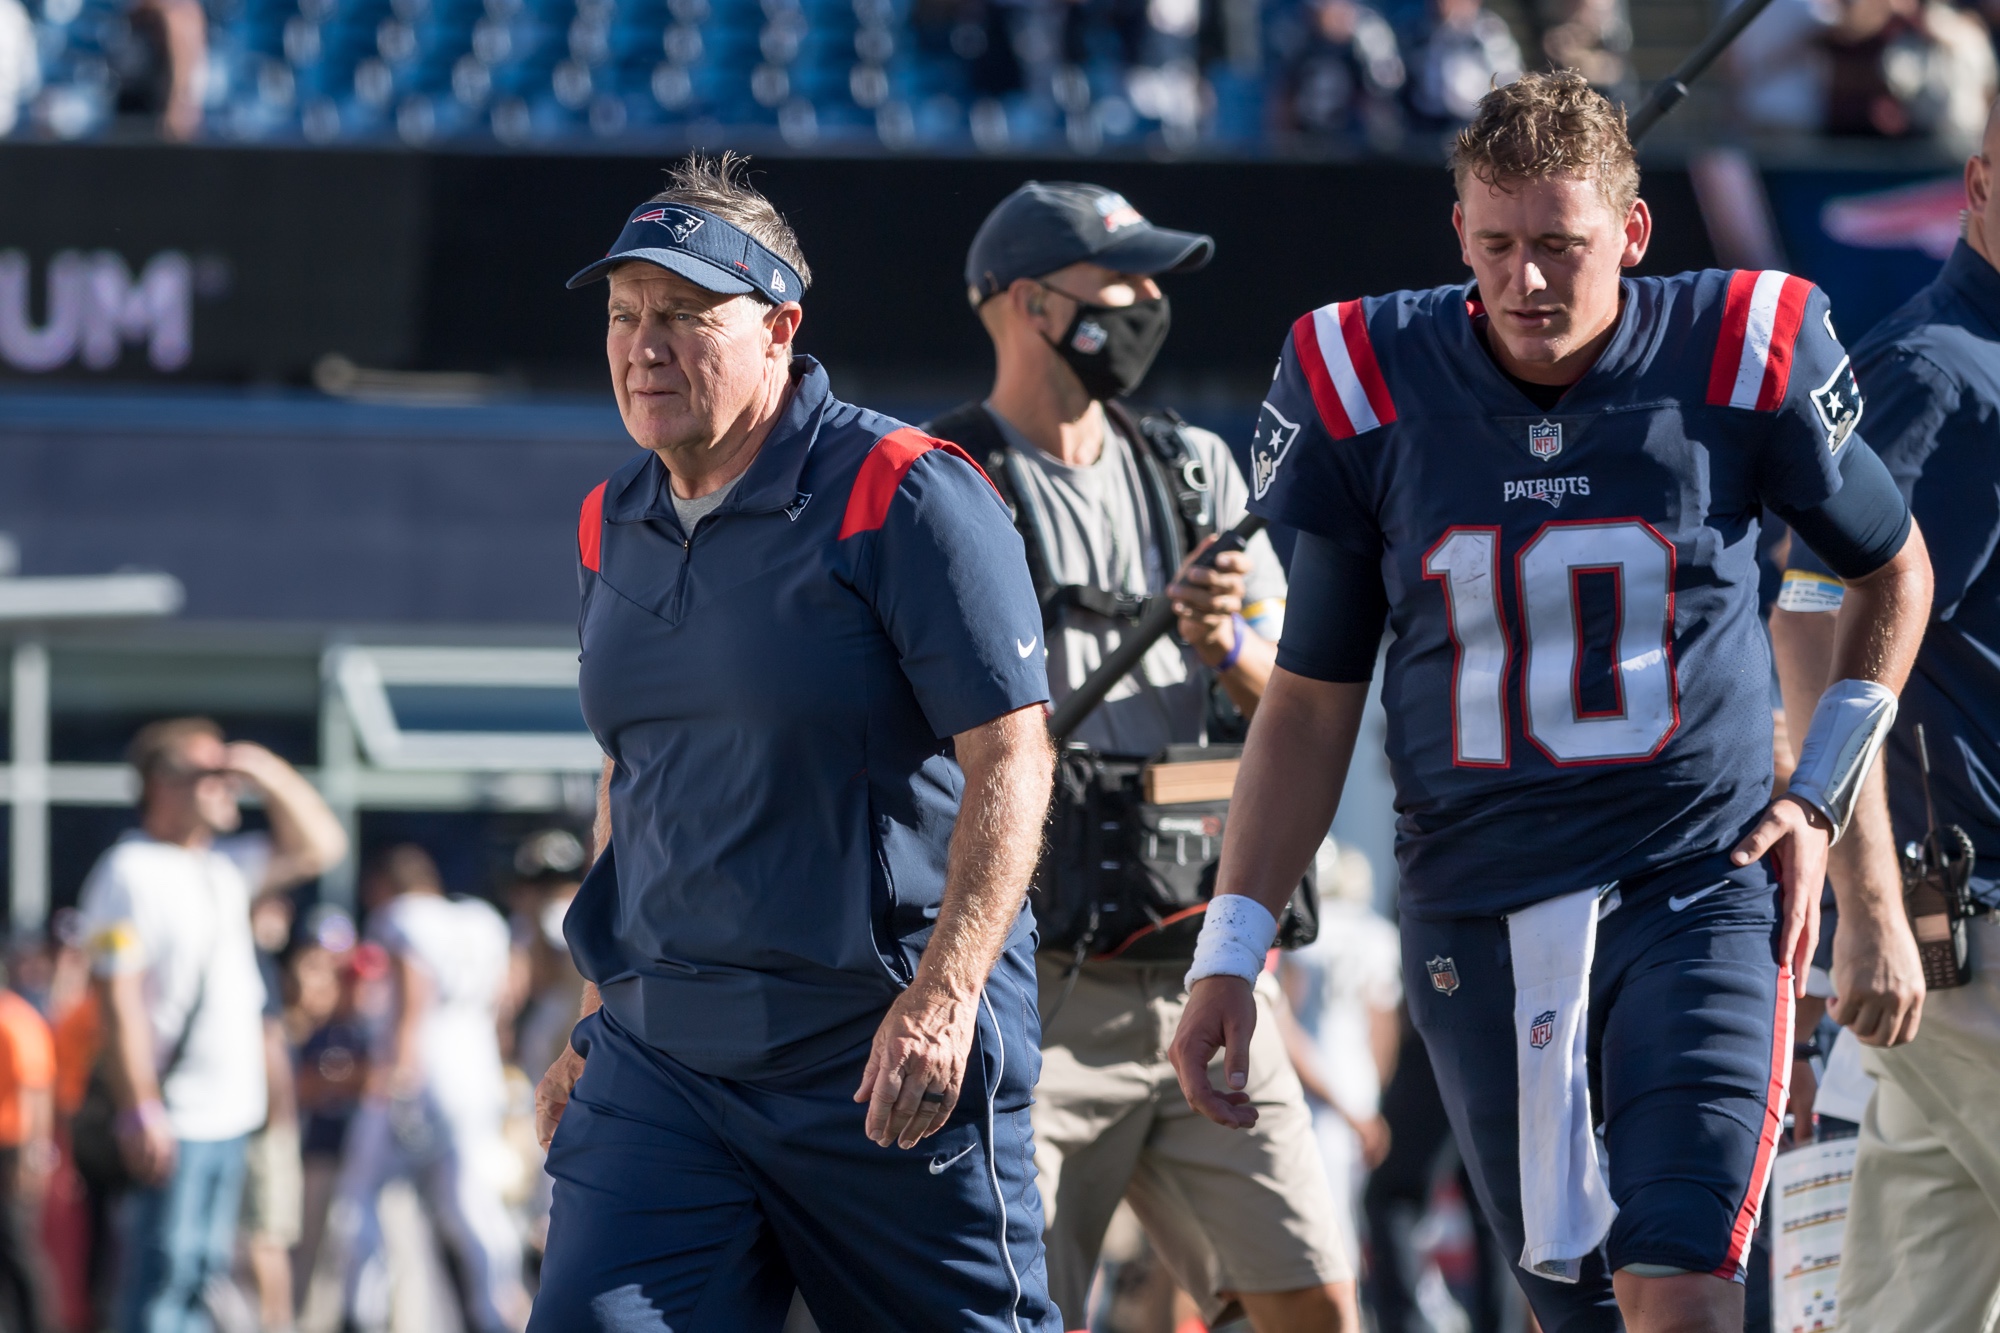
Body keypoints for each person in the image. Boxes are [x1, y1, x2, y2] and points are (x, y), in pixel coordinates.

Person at [1168, 70, 1935, 1333]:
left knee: (1679, 1289)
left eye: (1559, 248)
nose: (1526, 282)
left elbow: (1886, 568)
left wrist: (1819, 791)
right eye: (1497, 246)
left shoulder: (1741, 347)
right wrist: (1230, 953)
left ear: (1630, 234)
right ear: (1456, 233)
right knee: (1573, 1310)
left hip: (1695, 884)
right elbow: (1308, 704)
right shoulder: (1363, 377)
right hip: (1476, 904)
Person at [529, 152, 1059, 1332]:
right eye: (624, 317)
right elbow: (634, 777)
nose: (644, 346)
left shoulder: (905, 489)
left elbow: (1012, 757)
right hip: (664, 1061)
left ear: (778, 328)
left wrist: (944, 996)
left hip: (871, 1057)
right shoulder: (604, 519)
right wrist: (591, 1011)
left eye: (683, 314)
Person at [925, 180, 1356, 1333]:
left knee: (1312, 1300)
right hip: (1032, 993)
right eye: (1123, 283)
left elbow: (1293, 708)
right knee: (1013, 1311)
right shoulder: (938, 482)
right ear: (1029, 302)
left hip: (1202, 979)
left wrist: (1222, 647)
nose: (1149, 303)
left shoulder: (1199, 473)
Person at [1770, 93, 2000, 1332]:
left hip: (1956, 956)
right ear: (1972, 185)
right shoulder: (1934, 371)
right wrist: (1866, 906)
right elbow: (1809, 625)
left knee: (1911, 1305)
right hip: (1970, 926)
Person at [78, 718, 347, 1333]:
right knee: (164, 1273)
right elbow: (116, 1002)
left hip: (231, 1113)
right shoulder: (128, 870)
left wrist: (264, 769)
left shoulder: (224, 867)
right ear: (163, 784)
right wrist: (139, 1108)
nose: (229, 788)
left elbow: (323, 846)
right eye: (210, 775)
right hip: (175, 1114)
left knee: (201, 1273)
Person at [324, 845, 526, 1333]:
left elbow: (415, 993)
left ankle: (361, 1314)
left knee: (359, 1195)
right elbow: (509, 992)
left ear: (383, 885)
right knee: (472, 1204)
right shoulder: (480, 919)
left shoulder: (404, 915)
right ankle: (499, 1310)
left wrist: (400, 1072)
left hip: (425, 1066)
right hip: (475, 1064)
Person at [1278, 843, 1400, 1275]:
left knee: (1323, 1233)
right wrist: (1368, 1105)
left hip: (1316, 1091)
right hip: (1359, 1091)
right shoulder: (1379, 934)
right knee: (1343, 1223)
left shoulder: (1308, 940)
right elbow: (1383, 1028)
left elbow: (1286, 1028)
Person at [243, 890, 303, 1333]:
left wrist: (278, 1118)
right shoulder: (248, 958)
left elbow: (272, 1045)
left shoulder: (258, 961)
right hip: (261, 1117)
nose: (281, 918)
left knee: (265, 1239)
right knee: (261, 1239)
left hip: (265, 1121)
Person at [0, 971, 55, 1333]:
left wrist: (34, 1154)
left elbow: (36, 1087)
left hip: (12, 1147)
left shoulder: (13, 1018)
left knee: (19, 1247)